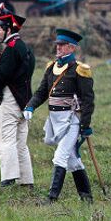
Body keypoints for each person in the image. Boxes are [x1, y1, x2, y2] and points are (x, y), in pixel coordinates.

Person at [24, 29, 95, 203]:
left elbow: (88, 100)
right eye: (58, 45)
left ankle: (51, 198)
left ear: (71, 48)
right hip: (55, 120)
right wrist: (30, 106)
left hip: (72, 121)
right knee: (72, 161)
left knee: (60, 156)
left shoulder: (80, 70)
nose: (58, 48)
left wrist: (85, 125)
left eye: (62, 46)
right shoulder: (51, 67)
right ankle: (86, 197)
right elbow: (42, 92)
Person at [0, 3, 34, 188]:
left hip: (11, 99)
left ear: (8, 29)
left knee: (6, 139)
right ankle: (26, 181)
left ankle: (8, 178)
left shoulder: (12, 47)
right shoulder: (24, 47)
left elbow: (2, 75)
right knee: (20, 143)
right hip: (24, 99)